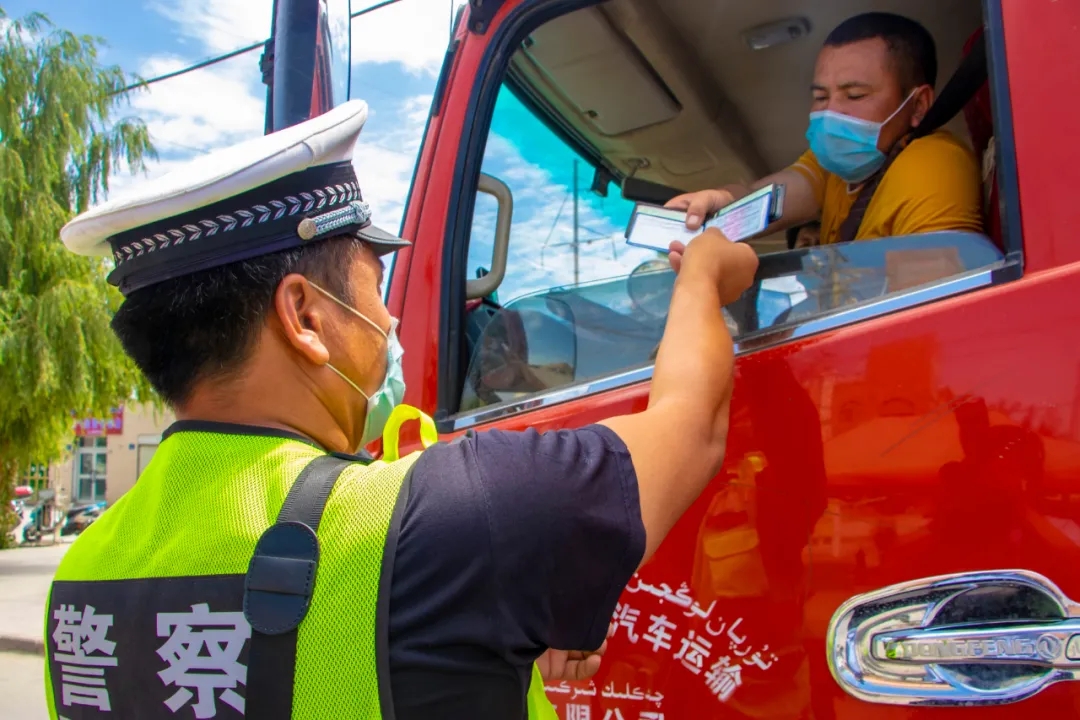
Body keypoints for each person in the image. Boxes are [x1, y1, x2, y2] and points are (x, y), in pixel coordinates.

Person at [44, 100, 758, 719]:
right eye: (372, 288)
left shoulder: (81, 574)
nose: (388, 321)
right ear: (305, 317)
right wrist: (700, 276)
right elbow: (691, 426)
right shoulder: (447, 518)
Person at [668, 12, 984, 248]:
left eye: (855, 95)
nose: (830, 113)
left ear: (918, 106)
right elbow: (764, 202)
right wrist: (716, 203)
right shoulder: (835, 168)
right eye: (821, 96)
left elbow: (935, 308)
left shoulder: (932, 166)